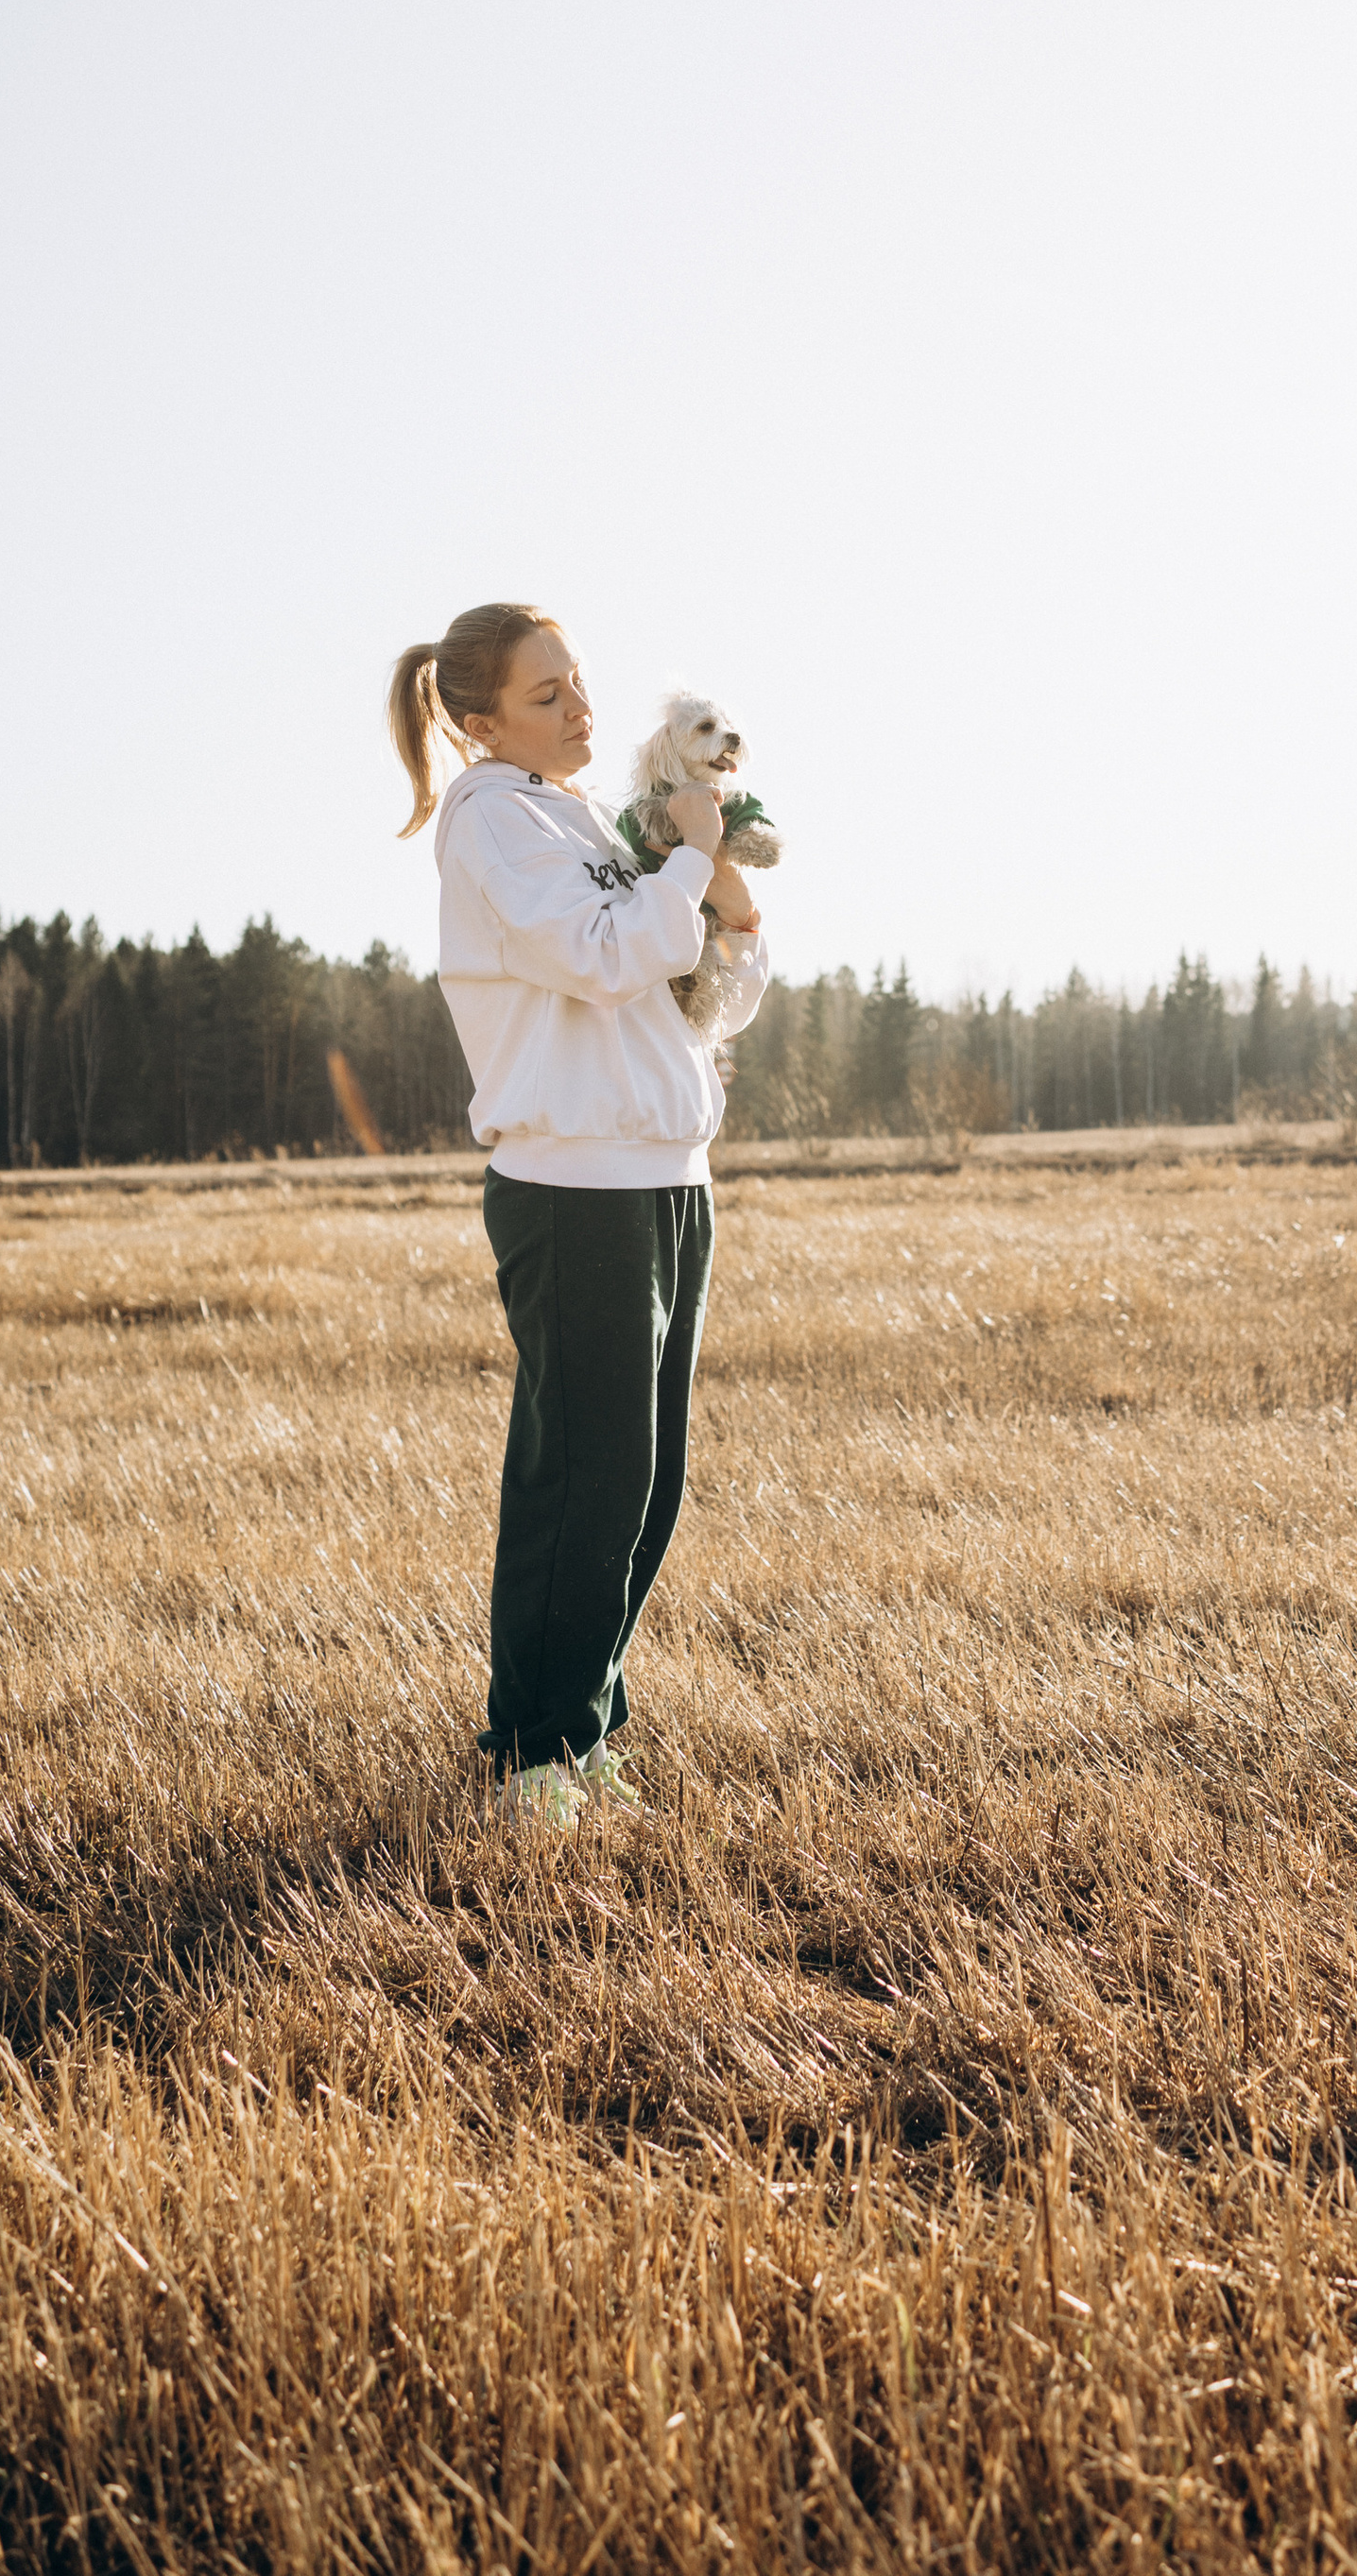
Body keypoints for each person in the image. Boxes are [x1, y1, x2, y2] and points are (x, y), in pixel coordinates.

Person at [386, 601, 769, 1827]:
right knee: (583, 1478)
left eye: (580, 682)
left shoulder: (588, 818)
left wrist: (733, 911)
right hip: (574, 1185)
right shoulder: (492, 822)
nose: (581, 708)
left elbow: (692, 1002)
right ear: (478, 720)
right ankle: (530, 1756)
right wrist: (692, 862)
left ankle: (586, 1727)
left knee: (647, 1482)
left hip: (666, 1174)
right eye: (546, 695)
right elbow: (607, 957)